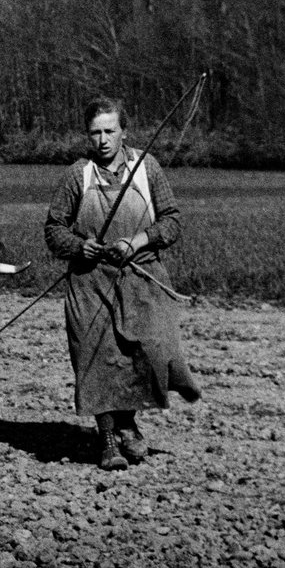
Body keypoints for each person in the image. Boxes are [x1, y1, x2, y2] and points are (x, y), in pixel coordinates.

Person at [44, 97, 201, 471]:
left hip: (141, 275)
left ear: (124, 132)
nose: (102, 140)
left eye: (109, 131)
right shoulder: (77, 175)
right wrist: (82, 246)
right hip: (90, 280)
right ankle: (110, 440)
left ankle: (133, 417)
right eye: (95, 132)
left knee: (146, 351)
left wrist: (138, 241)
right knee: (97, 357)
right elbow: (53, 230)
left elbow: (172, 221)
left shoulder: (147, 168)